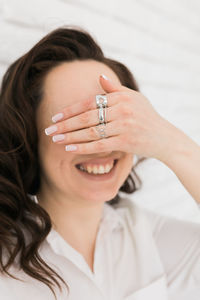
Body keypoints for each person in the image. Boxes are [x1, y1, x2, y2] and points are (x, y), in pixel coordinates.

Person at [0, 25, 199, 300]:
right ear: (30, 136)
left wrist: (173, 145)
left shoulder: (152, 238)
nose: (101, 145)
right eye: (76, 125)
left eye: (113, 120)